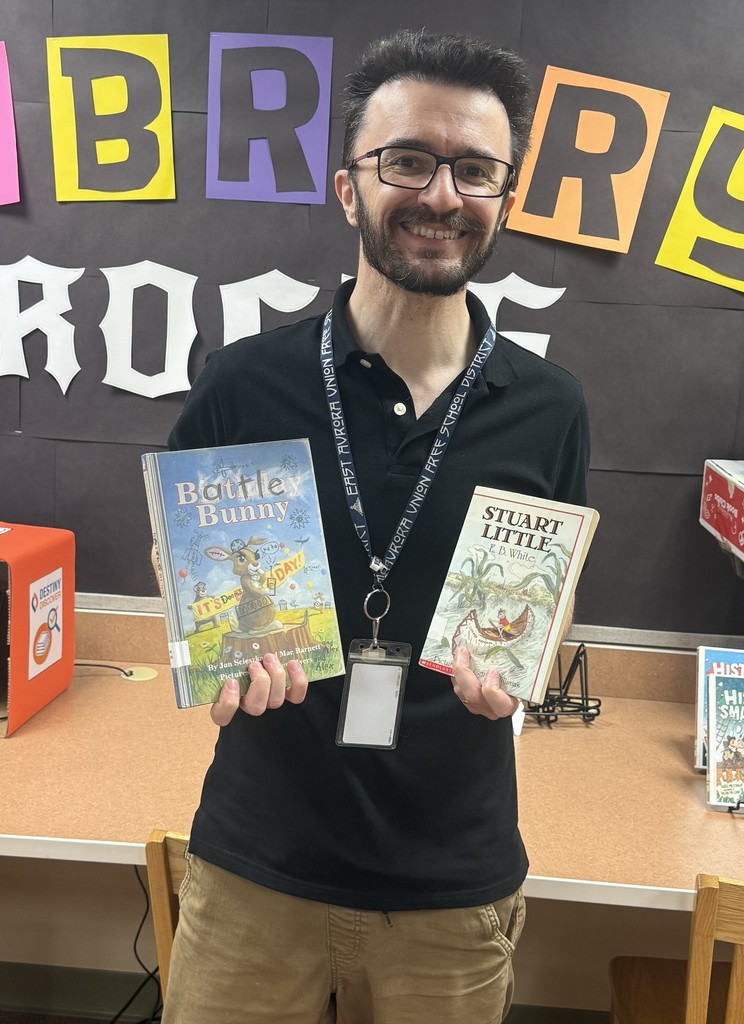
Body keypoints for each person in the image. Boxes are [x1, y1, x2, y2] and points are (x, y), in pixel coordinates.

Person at [161, 29, 590, 1024]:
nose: (442, 194)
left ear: (503, 201)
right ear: (350, 187)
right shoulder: (244, 384)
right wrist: (208, 649)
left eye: (474, 169)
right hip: (255, 874)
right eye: (407, 160)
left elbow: (551, 587)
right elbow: (176, 554)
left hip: (453, 891)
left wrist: (521, 668)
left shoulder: (551, 407)